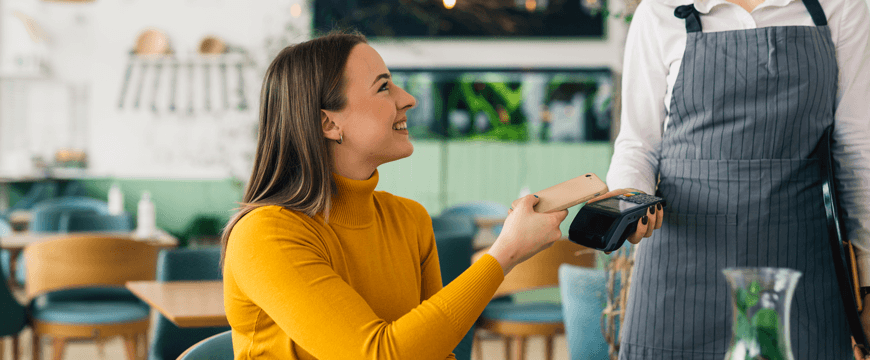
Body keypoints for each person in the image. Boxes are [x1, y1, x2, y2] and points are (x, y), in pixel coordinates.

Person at [220, 31, 660, 360]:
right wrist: (504, 253)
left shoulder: (408, 219)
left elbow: (436, 352)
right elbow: (378, 355)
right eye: (383, 87)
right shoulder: (266, 235)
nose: (408, 99)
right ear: (328, 124)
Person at [606, 0, 870, 357]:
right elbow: (638, 143)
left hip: (798, 266)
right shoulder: (660, 10)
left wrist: (868, 282)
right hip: (680, 270)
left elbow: (858, 150)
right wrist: (630, 200)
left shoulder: (843, 7)